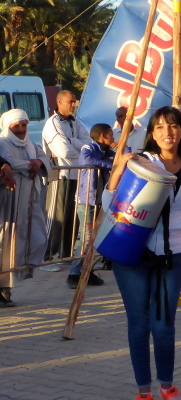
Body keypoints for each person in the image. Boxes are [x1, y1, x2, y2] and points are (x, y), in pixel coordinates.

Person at [107, 106, 181, 400]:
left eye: (173, 126)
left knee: (164, 326)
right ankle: (143, 392)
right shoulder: (141, 162)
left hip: (173, 256)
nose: (167, 132)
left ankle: (167, 386)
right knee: (139, 324)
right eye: (160, 127)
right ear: (152, 132)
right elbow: (111, 203)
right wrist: (118, 170)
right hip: (134, 255)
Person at [42, 90, 92, 269]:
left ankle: (66, 254)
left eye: (74, 101)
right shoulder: (53, 123)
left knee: (72, 218)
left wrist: (72, 142)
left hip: (75, 175)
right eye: (70, 101)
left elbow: (90, 145)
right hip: (60, 175)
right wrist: (78, 147)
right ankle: (47, 257)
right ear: (60, 102)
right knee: (57, 218)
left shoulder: (75, 122)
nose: (73, 105)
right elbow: (63, 151)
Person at [67, 123, 119, 289]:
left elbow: (121, 160)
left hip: (101, 200)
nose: (113, 138)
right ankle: (74, 273)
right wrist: (109, 165)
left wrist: (121, 149)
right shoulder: (88, 148)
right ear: (103, 136)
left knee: (95, 237)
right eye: (111, 135)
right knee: (85, 237)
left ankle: (86, 271)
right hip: (87, 200)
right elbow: (87, 161)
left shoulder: (108, 151)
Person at [0, 110, 43, 307]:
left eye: (24, 125)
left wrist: (38, 162)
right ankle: (3, 289)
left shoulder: (30, 144)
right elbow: (10, 163)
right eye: (16, 126)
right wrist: (30, 165)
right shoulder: (3, 143)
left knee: (34, 239)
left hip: (28, 201)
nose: (21, 130)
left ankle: (7, 287)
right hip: (8, 201)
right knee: (5, 245)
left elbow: (43, 157)